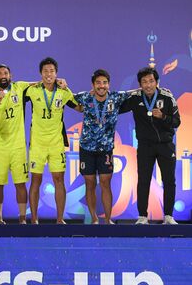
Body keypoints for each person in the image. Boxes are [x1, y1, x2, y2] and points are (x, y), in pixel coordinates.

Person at [119, 67, 180, 225]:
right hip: (145, 146)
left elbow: (176, 122)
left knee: (169, 180)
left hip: (165, 145)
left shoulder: (167, 97)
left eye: (151, 81)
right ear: (140, 84)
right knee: (143, 180)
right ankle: (142, 216)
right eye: (144, 82)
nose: (148, 85)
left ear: (157, 82)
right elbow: (117, 108)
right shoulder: (135, 98)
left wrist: (163, 116)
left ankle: (168, 216)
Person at [24, 57, 81, 224]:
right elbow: (16, 95)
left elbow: (79, 107)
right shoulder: (32, 91)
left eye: (51, 71)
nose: (49, 74)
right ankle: (34, 220)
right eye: (45, 71)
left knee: (58, 180)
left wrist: (68, 88)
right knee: (36, 180)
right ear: (40, 74)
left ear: (56, 73)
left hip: (56, 144)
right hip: (37, 144)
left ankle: (60, 219)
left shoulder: (63, 92)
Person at [74, 69, 129, 224]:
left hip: (106, 149)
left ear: (108, 84)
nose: (101, 86)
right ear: (93, 85)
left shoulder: (115, 98)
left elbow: (135, 92)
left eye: (104, 82)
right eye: (98, 83)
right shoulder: (85, 97)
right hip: (87, 149)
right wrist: (62, 85)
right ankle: (93, 219)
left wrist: (158, 89)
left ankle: (108, 219)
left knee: (105, 183)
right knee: (90, 183)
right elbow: (67, 98)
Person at [0, 65, 32, 224]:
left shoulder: (20, 87)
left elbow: (39, 84)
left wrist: (56, 81)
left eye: (5, 73)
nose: (3, 75)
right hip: (0, 146)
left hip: (18, 145)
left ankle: (22, 218)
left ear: (11, 75)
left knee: (20, 183)